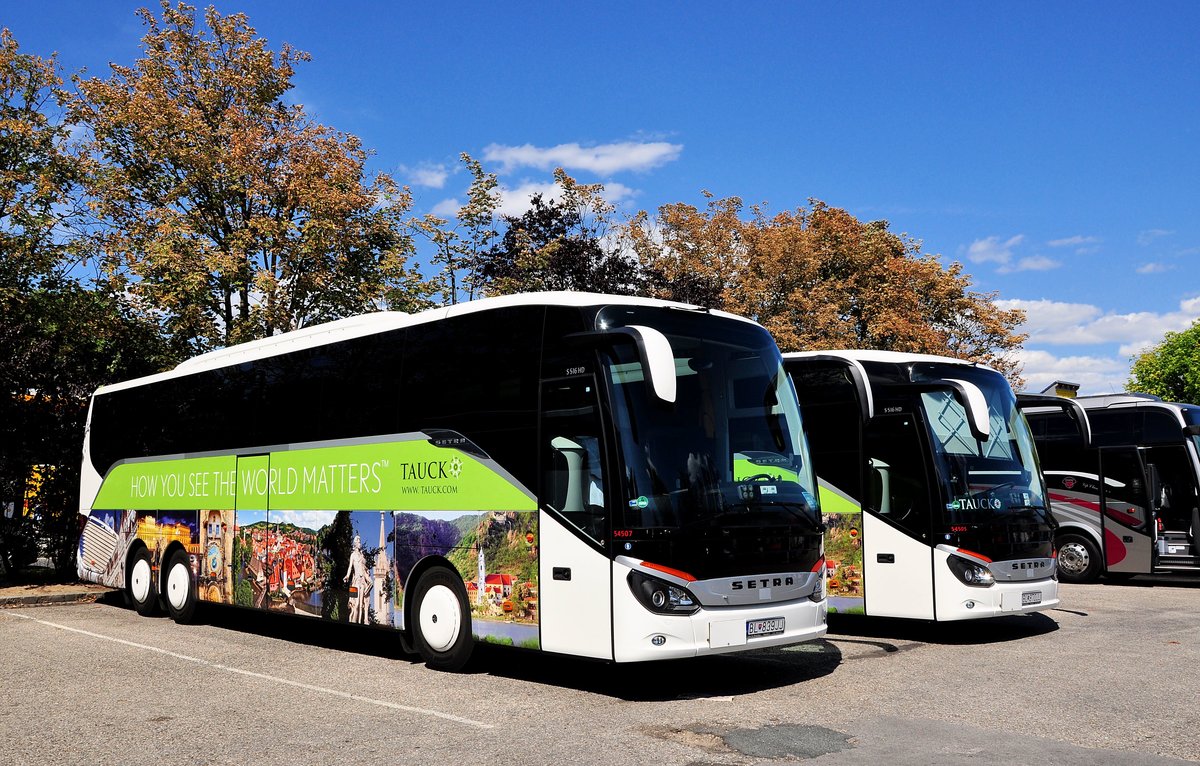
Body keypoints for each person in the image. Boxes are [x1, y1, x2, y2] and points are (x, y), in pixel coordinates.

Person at [343, 534, 371, 624]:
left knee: (361, 605)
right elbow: (350, 567)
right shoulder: (353, 555)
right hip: (355, 582)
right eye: (358, 542)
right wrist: (347, 576)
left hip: (362, 582)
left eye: (360, 542)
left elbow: (364, 569)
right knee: (355, 605)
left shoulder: (362, 557)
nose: (360, 543)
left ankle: (361, 623)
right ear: (355, 544)